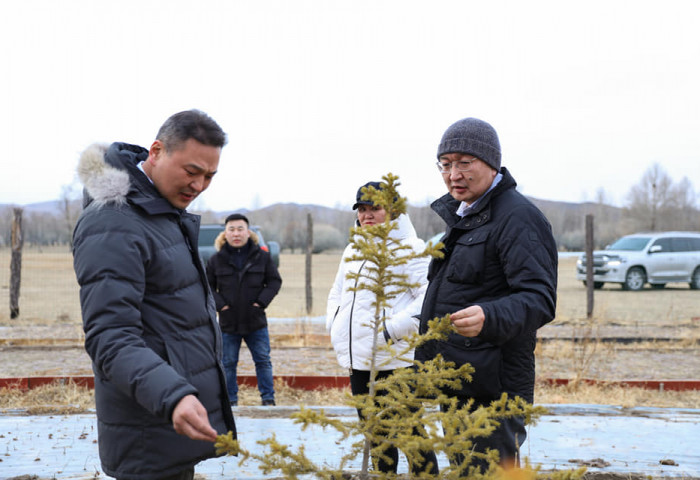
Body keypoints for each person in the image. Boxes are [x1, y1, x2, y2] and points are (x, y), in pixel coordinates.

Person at [72, 110, 236, 480]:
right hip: (148, 428)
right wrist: (173, 396)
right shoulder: (113, 222)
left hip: (169, 425)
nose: (199, 185)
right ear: (157, 151)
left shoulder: (160, 212)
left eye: (209, 176)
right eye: (191, 171)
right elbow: (110, 338)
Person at [416, 117, 558, 472]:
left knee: (490, 472)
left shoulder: (517, 217)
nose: (453, 174)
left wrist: (490, 317)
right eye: (445, 164)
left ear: (491, 163)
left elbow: (539, 297)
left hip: (494, 386)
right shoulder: (469, 217)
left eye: (465, 163)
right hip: (460, 378)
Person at [326, 181, 438, 475]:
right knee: (375, 434)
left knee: (409, 432)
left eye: (375, 208)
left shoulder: (410, 248)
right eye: (362, 209)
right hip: (358, 357)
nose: (367, 215)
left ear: (393, 211)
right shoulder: (353, 249)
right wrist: (334, 324)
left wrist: (391, 330)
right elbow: (337, 292)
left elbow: (427, 297)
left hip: (394, 359)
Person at [206, 213, 282, 406]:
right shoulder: (216, 260)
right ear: (225, 233)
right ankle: (230, 402)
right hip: (228, 322)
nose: (236, 233)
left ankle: (268, 400)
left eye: (240, 229)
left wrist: (260, 303)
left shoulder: (262, 257)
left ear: (248, 232)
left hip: (255, 320)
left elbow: (274, 281)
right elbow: (206, 287)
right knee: (228, 364)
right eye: (231, 229)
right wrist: (221, 306)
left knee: (263, 361)